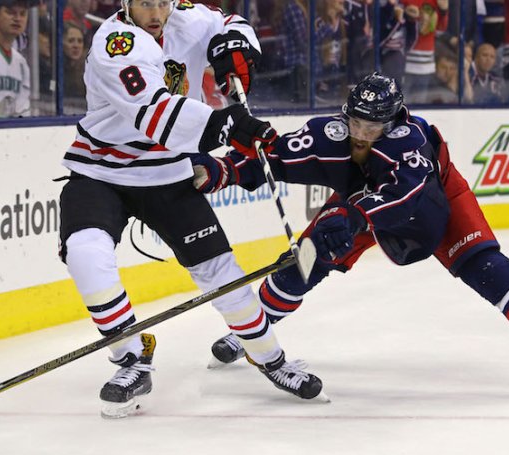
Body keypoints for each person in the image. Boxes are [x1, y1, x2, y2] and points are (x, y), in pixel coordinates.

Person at [193, 72, 509, 398]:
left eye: (372, 125)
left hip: (434, 198)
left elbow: (404, 197)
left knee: (485, 265)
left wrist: (353, 218)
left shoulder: (411, 142)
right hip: (360, 205)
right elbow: (276, 156)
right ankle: (251, 332)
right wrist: (220, 171)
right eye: (354, 121)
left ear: (394, 120)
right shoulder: (331, 134)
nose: (360, 133)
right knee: (305, 260)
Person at [57, 0, 327, 418]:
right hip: (101, 170)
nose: (155, 12)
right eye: (144, 3)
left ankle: (271, 359)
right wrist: (227, 124)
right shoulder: (116, 42)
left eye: (161, 2)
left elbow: (230, 22)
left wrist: (235, 44)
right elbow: (154, 112)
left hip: (167, 172)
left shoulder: (188, 17)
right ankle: (131, 357)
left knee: (221, 272)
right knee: (85, 252)